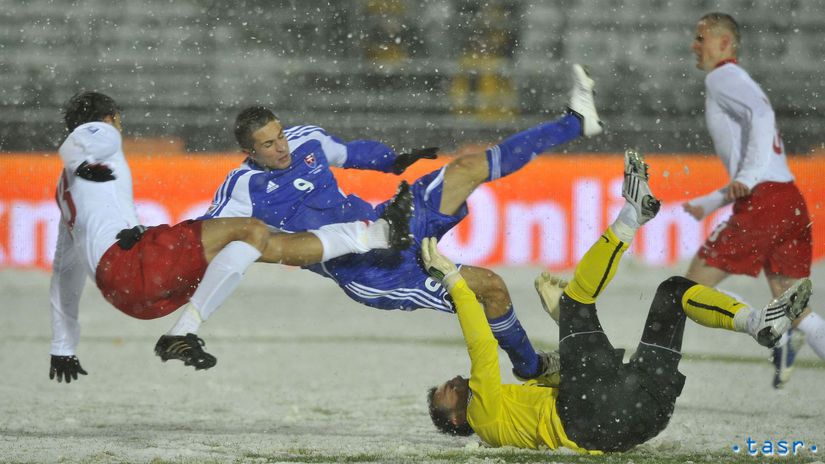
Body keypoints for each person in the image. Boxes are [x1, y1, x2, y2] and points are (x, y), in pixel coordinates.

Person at [203, 64, 604, 382]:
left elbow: (347, 152)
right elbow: (202, 238)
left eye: (280, 136)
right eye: (269, 144)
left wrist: (391, 160)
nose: (281, 147)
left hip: (389, 222)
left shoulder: (304, 139)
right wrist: (145, 251)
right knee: (491, 287)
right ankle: (532, 367)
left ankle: (575, 120)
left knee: (465, 168)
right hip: (373, 271)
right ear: (247, 151)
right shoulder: (242, 188)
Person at [425, 149, 812, 452]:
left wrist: (555, 346)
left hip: (643, 416)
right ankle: (631, 214)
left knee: (674, 292)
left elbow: (591, 375)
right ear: (459, 420)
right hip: (590, 414)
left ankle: (758, 323)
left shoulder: (506, 420)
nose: (459, 380)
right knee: (578, 301)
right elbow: (482, 349)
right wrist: (456, 281)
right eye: (452, 390)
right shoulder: (482, 411)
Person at [49, 91, 414, 383]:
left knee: (245, 243)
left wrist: (63, 345)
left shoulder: (64, 194)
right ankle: (376, 233)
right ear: (112, 119)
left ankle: (183, 331)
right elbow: (82, 142)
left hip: (122, 292)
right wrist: (76, 155)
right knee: (253, 231)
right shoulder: (99, 137)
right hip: (138, 266)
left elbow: (65, 270)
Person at [684, 12, 824, 388]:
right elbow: (761, 159)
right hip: (787, 199)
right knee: (796, 309)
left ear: (725, 43)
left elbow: (762, 117)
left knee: (689, 290)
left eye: (701, 39)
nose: (694, 46)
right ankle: (783, 331)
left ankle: (768, 328)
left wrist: (744, 178)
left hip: (765, 204)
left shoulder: (722, 77)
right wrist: (712, 202)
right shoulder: (739, 81)